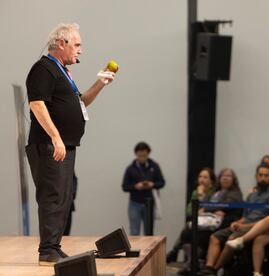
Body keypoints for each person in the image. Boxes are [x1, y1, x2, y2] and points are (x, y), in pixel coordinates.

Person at [25, 23, 116, 266]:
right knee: (53, 197)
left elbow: (81, 103)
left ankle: (53, 248)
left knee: (63, 197)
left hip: (63, 145)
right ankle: (47, 251)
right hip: (49, 145)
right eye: (77, 44)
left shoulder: (62, 72)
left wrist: (100, 84)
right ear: (61, 44)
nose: (81, 50)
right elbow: (37, 104)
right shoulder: (44, 69)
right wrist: (56, 137)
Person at [197, 163, 269, 276]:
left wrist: (244, 226)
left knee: (231, 240)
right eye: (261, 175)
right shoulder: (252, 195)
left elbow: (267, 220)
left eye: (266, 175)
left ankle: (214, 270)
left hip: (258, 227)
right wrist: (237, 222)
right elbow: (245, 216)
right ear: (256, 176)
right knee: (215, 237)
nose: (263, 178)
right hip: (244, 225)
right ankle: (209, 266)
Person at [178, 168, 243, 274]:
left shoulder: (235, 193)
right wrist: (210, 209)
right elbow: (200, 206)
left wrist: (207, 209)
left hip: (224, 222)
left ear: (233, 179)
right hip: (208, 221)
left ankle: (196, 263)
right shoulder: (215, 192)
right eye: (223, 175)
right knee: (187, 233)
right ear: (219, 178)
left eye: (229, 176)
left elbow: (226, 205)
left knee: (198, 235)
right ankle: (192, 262)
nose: (225, 178)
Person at [167, 167, 216, 263]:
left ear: (211, 180)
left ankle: (174, 251)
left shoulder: (214, 192)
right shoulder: (195, 192)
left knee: (187, 228)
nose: (201, 179)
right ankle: (185, 259)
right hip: (198, 222)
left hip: (209, 224)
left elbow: (210, 209)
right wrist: (198, 196)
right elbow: (189, 211)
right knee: (188, 228)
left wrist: (201, 196)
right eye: (200, 177)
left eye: (205, 177)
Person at [122, 141, 165, 235]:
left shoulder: (154, 166)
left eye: (144, 155)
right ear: (136, 154)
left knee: (149, 231)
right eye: (140, 155)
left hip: (149, 204)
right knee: (134, 231)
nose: (142, 158)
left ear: (148, 154)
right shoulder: (130, 168)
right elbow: (124, 187)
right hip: (134, 203)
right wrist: (135, 187)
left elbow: (162, 182)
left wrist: (152, 184)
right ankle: (134, 250)